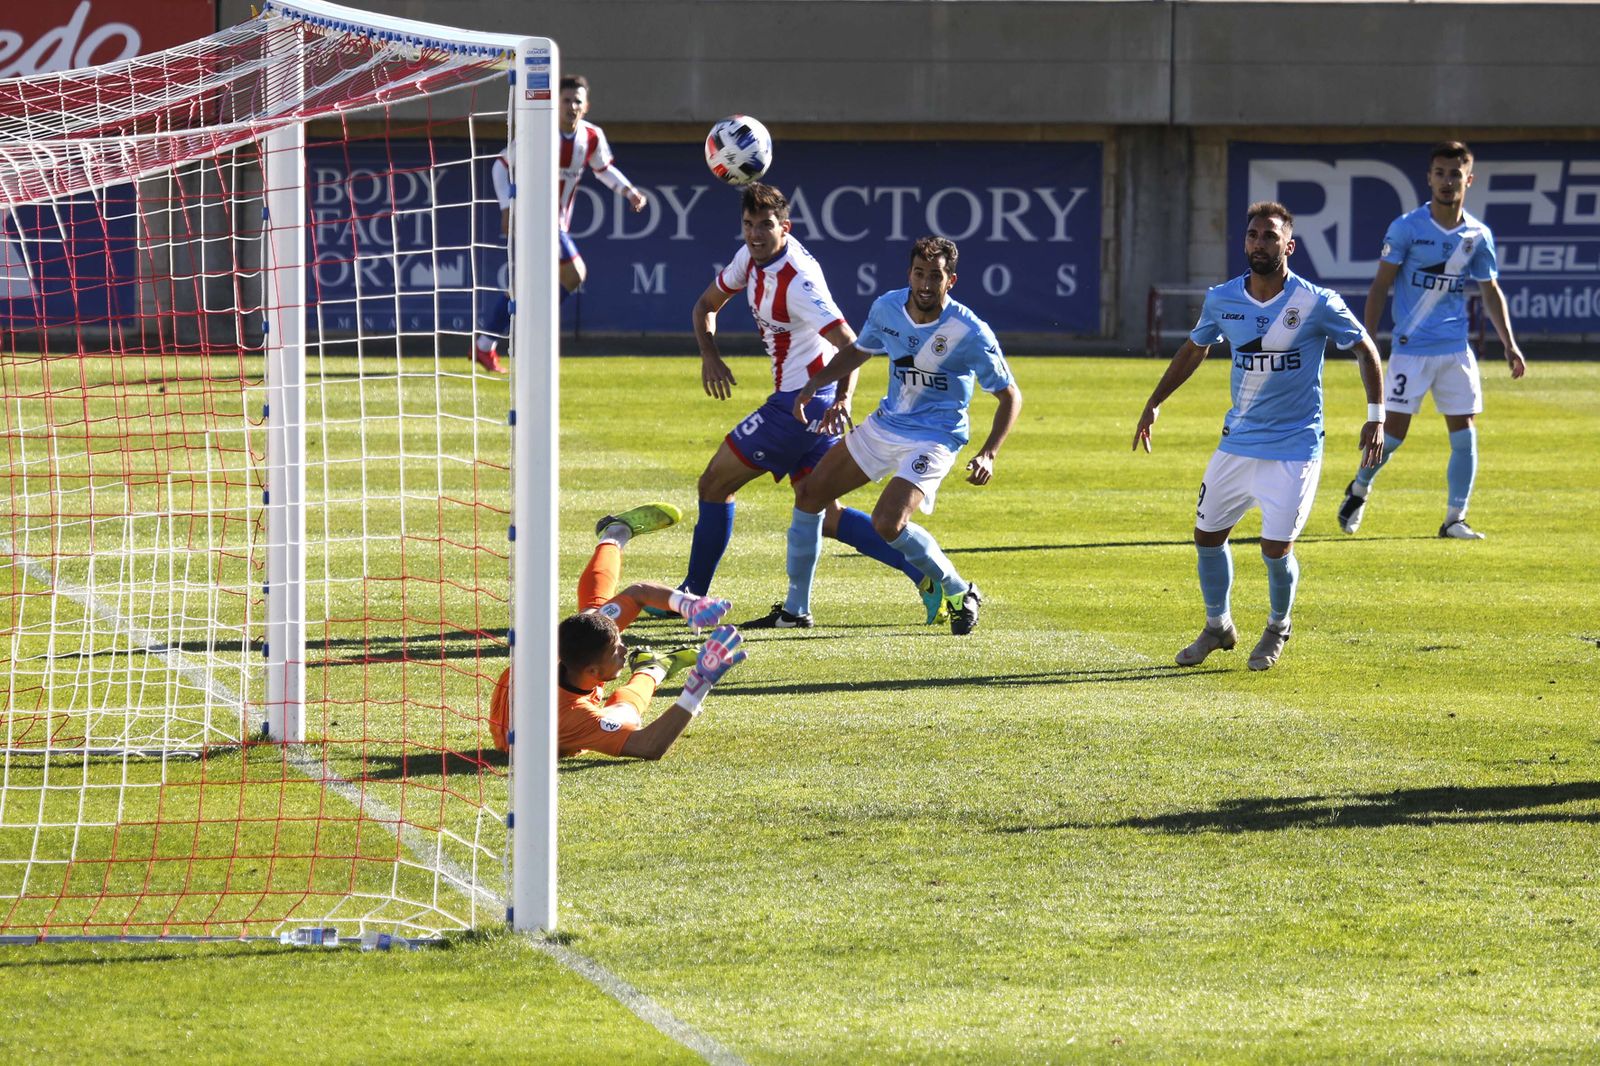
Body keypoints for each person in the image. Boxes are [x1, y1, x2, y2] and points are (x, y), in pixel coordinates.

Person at [1133, 201, 1385, 671]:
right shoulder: (1222, 299)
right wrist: (1155, 401)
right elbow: (1194, 349)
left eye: (1270, 236)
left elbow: (1365, 348)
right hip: (1238, 442)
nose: (1259, 243)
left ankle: (1277, 626)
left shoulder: (1317, 302)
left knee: (1275, 549)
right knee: (1207, 536)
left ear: (1288, 245)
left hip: (1295, 446)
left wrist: (1376, 415)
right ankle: (1218, 625)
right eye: (1252, 235)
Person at [674, 182, 932, 622]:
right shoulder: (750, 259)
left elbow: (853, 343)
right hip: (806, 401)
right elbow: (704, 306)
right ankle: (927, 576)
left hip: (799, 406)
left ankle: (692, 595)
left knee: (714, 484)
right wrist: (709, 356)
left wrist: (843, 398)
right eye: (749, 225)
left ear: (785, 227)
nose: (756, 234)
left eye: (766, 226)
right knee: (825, 512)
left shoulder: (798, 281)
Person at [763, 235, 1022, 635]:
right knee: (810, 495)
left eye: (934, 276)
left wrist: (989, 452)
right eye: (919, 273)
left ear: (950, 281)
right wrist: (815, 384)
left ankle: (959, 589)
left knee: (887, 522)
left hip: (935, 436)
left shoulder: (969, 331)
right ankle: (796, 609)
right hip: (886, 424)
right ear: (909, 274)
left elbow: (1010, 397)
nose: (925, 284)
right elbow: (860, 350)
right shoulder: (887, 307)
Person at [1336, 140, 1528, 540]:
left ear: (1468, 179)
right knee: (1391, 437)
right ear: (1428, 178)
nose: (1446, 181)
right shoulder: (1407, 227)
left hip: (1455, 351)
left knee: (1465, 433)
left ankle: (1454, 518)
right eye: (1439, 173)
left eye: (1455, 174)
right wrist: (1368, 341)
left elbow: (1490, 290)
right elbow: (1380, 286)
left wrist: (1509, 343)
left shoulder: (1478, 235)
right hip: (1410, 351)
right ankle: (1359, 488)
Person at [489, 503, 744, 760]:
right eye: (615, 650)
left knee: (592, 613)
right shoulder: (576, 717)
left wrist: (688, 604)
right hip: (541, 735)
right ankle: (653, 668)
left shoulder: (565, 642)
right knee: (625, 714)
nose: (624, 648)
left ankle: (615, 533)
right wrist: (698, 685)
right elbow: (648, 745)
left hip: (534, 694)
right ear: (592, 671)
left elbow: (638, 592)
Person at [473, 74, 648, 373]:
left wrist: (629, 192)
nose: (571, 106)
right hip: (532, 217)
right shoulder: (538, 133)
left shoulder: (591, 136)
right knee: (575, 272)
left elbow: (604, 170)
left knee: (522, 289)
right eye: (566, 100)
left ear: (586, 106)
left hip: (558, 223)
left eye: (577, 101)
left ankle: (484, 346)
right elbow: (501, 166)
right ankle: (535, 334)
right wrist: (506, 208)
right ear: (556, 103)